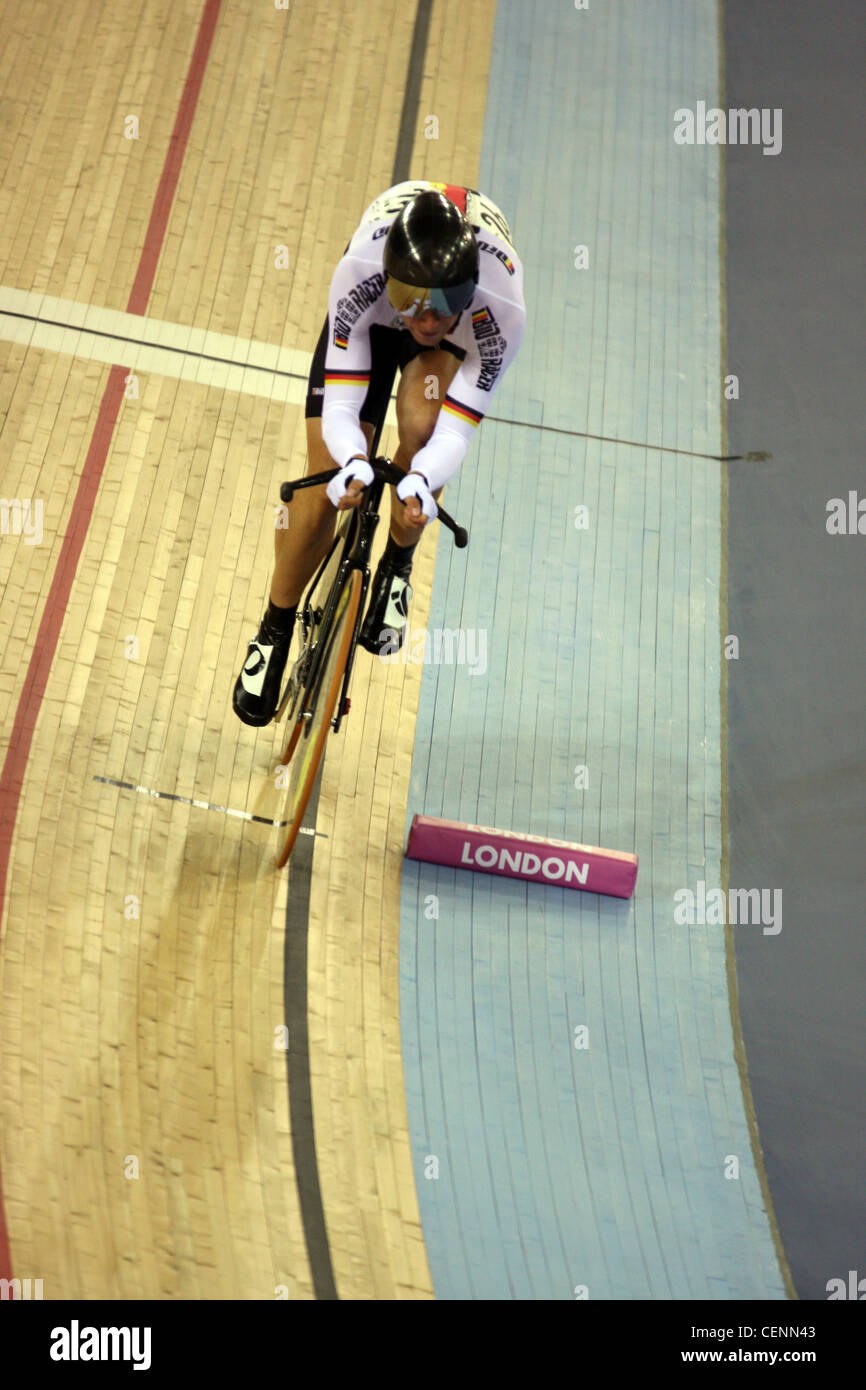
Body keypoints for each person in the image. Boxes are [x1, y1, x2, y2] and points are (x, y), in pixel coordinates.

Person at [233, 180, 526, 726]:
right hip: (369, 321)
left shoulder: (501, 308)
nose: (426, 321)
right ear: (389, 282)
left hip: (452, 349)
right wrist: (350, 463)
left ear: (470, 292)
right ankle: (273, 628)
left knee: (425, 425)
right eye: (412, 305)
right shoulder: (358, 275)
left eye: (443, 307)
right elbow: (343, 409)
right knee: (323, 483)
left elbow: (454, 436)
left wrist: (419, 481)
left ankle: (397, 561)